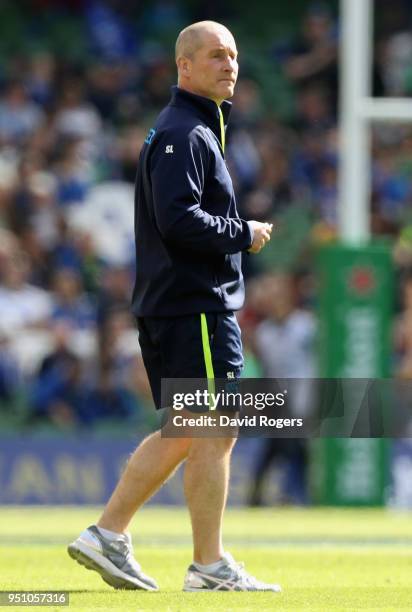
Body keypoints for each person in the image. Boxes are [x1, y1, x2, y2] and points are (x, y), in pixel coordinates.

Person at [68, 20, 280, 593]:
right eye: (215, 55)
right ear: (183, 66)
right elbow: (179, 219)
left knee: (191, 428)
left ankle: (109, 534)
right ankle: (207, 566)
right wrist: (243, 232)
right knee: (214, 427)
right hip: (197, 306)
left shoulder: (187, 129)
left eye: (233, 55)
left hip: (180, 305)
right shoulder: (185, 132)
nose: (229, 64)